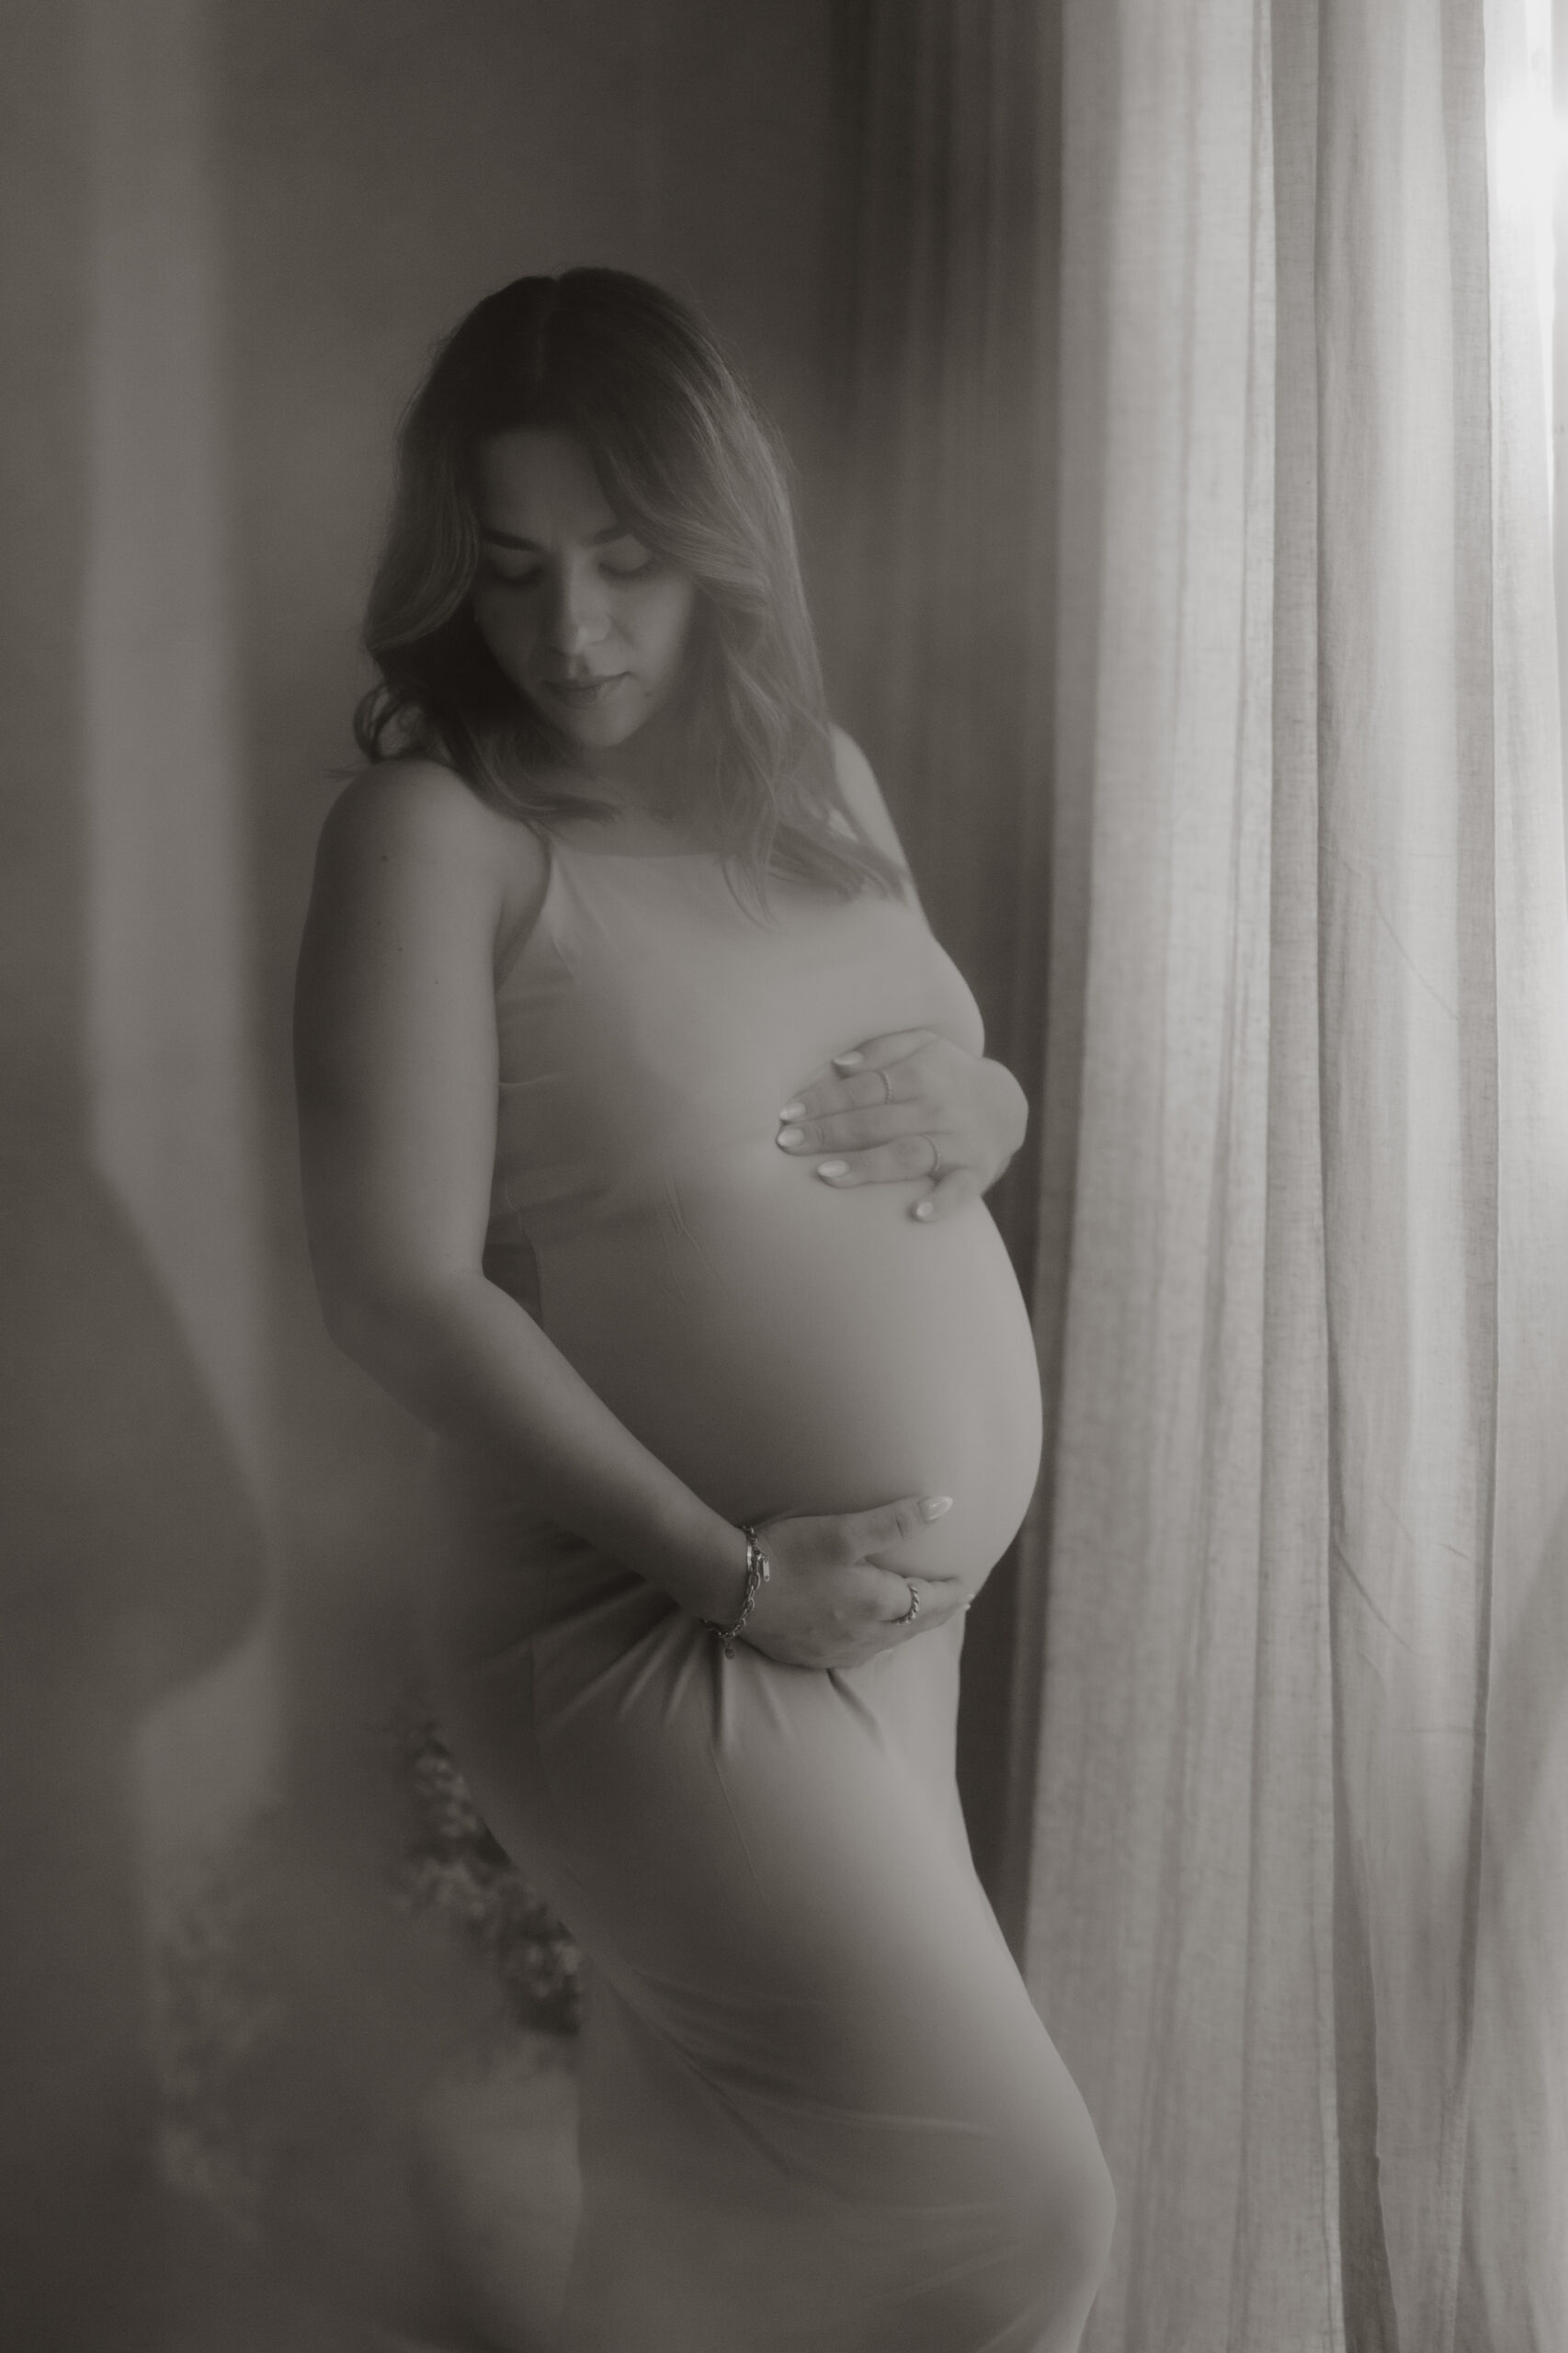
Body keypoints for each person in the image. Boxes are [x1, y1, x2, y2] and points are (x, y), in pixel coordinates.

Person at [294, 267, 1112, 2353]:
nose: (571, 628)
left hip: (863, 1623)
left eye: (626, 559)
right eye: (512, 568)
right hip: (640, 1614)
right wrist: (732, 1574)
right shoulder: (436, 839)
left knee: (698, 2235)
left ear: (719, 544)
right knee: (1011, 2212)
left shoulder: (818, 783)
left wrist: (994, 1098)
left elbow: (898, 1061)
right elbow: (392, 1289)